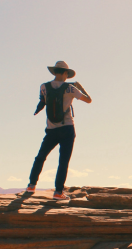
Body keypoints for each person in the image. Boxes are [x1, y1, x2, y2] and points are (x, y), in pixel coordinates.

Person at [26, 61, 92, 200]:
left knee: (40, 156)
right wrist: (80, 88)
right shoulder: (70, 88)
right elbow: (88, 100)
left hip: (51, 129)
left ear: (54, 72)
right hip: (67, 128)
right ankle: (58, 192)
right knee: (63, 161)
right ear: (65, 73)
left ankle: (31, 185)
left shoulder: (44, 86)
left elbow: (43, 100)